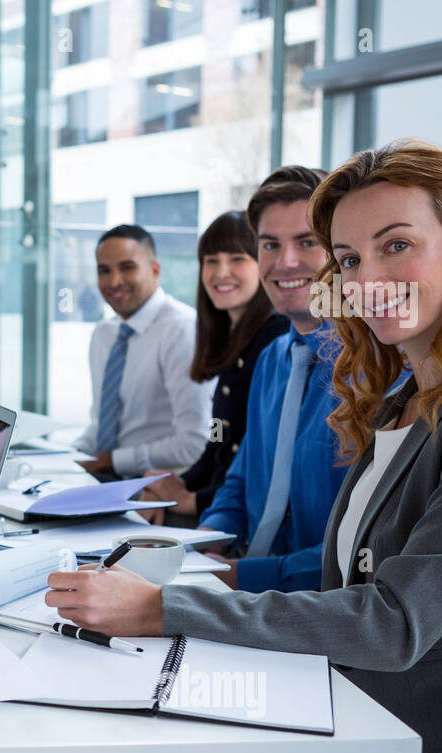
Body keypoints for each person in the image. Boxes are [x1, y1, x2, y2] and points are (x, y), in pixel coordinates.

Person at [45, 140, 442, 753]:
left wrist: (161, 609)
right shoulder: (397, 399)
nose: (368, 277)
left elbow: (393, 620)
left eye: (397, 246)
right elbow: (341, 579)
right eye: (350, 259)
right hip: (362, 723)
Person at [175, 167, 347, 593]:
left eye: (306, 242)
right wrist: (207, 544)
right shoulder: (273, 359)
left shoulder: (378, 370)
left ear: (343, 252)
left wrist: (235, 577)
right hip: (240, 587)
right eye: (270, 245)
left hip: (319, 608)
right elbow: (240, 480)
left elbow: (356, 552)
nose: (285, 262)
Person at [141, 211, 288, 525]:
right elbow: (218, 446)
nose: (221, 272)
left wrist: (191, 500)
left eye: (237, 259)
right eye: (210, 260)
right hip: (216, 504)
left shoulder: (275, 338)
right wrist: (173, 485)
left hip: (240, 518)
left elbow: (263, 463)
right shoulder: (231, 338)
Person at [73, 225, 214, 478]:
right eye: (104, 271)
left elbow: (194, 442)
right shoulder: (104, 334)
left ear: (155, 270)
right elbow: (102, 426)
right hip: (103, 479)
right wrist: (69, 456)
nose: (114, 281)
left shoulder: (183, 331)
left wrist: (112, 461)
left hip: (154, 485)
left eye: (127, 267)